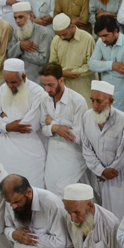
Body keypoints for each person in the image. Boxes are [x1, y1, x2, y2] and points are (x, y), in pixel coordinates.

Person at [0, 59, 54, 188]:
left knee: (31, 190)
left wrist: (3, 118)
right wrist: (8, 125)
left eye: (13, 82)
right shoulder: (3, 89)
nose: (10, 86)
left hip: (29, 152)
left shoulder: (37, 92)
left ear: (24, 77)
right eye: (7, 81)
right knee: (5, 189)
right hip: (4, 150)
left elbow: (30, 125)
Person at [82, 80, 124, 218]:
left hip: (118, 177)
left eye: (99, 101)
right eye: (92, 100)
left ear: (110, 101)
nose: (94, 106)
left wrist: (109, 170)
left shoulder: (123, 120)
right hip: (98, 176)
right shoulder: (87, 117)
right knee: (100, 216)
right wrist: (100, 170)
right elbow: (86, 148)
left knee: (120, 216)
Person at [39, 62, 89, 199]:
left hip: (72, 154)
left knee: (68, 193)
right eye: (44, 85)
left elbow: (77, 137)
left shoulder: (78, 101)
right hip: (53, 153)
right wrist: (56, 128)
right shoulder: (45, 98)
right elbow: (43, 127)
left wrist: (53, 123)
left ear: (61, 80)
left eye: (51, 85)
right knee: (52, 192)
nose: (47, 89)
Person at [89, 15, 124, 114]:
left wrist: (102, 65)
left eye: (105, 35)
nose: (103, 39)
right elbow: (92, 65)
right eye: (100, 36)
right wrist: (112, 65)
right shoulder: (101, 42)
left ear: (116, 31)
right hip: (106, 96)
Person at [49, 13, 97, 105]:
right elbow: (52, 65)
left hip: (83, 86)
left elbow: (92, 65)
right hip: (64, 88)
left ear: (71, 26)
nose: (62, 37)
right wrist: (63, 73)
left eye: (64, 34)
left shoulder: (87, 39)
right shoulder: (56, 40)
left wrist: (73, 72)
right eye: (59, 35)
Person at [7, 2, 54, 80]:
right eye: (15, 18)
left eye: (20, 17)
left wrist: (21, 50)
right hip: (19, 80)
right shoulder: (16, 33)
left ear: (31, 16)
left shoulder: (44, 33)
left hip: (37, 81)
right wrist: (20, 46)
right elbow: (9, 56)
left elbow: (43, 59)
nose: (17, 21)